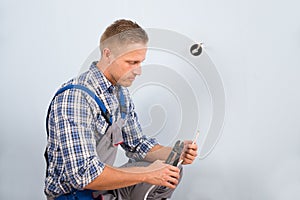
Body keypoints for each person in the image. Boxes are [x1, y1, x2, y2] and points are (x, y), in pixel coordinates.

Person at [44, 19, 198, 200]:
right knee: (153, 173)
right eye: (131, 62)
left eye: (140, 62)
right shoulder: (76, 99)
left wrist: (175, 153)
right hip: (76, 195)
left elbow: (137, 144)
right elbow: (83, 175)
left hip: (103, 192)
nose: (138, 71)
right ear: (107, 54)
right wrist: (148, 174)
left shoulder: (120, 94)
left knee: (171, 169)